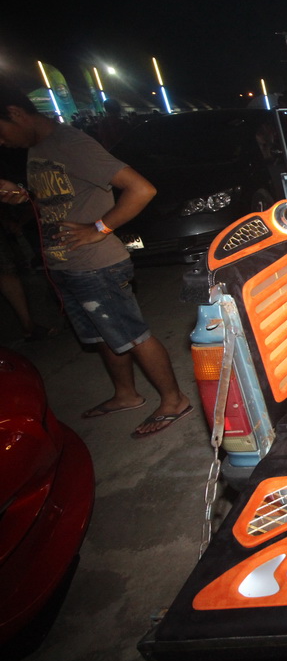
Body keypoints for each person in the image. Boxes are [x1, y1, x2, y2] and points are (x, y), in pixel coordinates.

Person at [0, 79, 193, 438]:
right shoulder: (39, 147)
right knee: (103, 337)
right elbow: (62, 197)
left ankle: (174, 400)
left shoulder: (71, 143)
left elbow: (142, 188)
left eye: (0, 131)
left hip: (96, 264)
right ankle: (126, 393)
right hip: (66, 264)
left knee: (132, 335)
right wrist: (24, 196)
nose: (1, 141)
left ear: (15, 113)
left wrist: (100, 227)